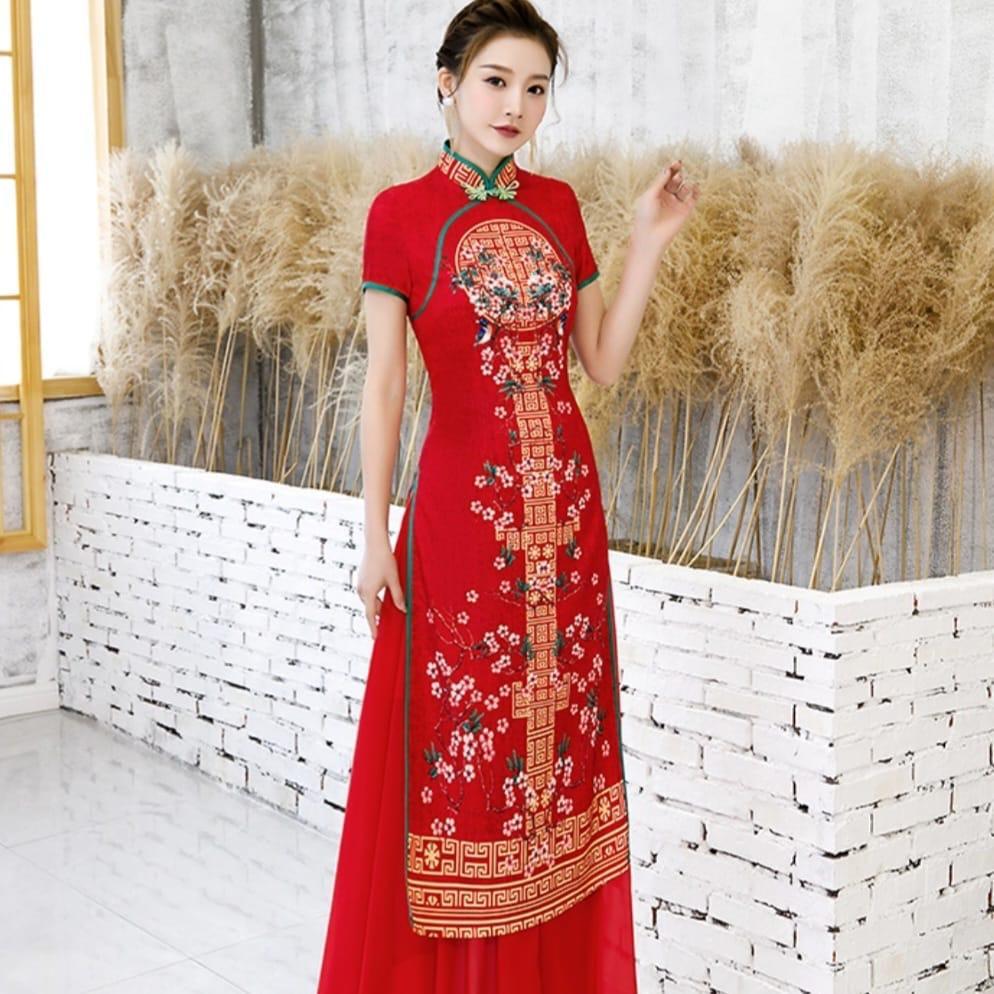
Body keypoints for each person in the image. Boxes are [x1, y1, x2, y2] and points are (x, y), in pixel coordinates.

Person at [316, 2, 700, 991]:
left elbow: (600, 361)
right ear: (447, 81)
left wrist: (649, 238)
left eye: (534, 88)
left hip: (567, 523)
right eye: (495, 81)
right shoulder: (399, 215)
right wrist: (374, 535)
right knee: (470, 761)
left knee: (558, 758)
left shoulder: (558, 206)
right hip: (460, 524)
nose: (515, 105)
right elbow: (386, 386)